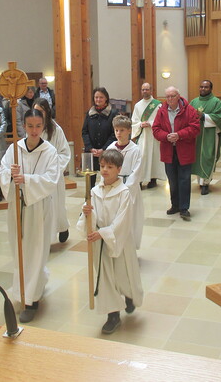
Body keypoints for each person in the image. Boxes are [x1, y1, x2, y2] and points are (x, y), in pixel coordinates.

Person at [0, 109, 59, 323]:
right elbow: (1, 172)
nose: (34, 131)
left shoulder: (49, 151)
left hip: (38, 207)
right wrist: (9, 175)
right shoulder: (15, 149)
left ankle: (31, 300)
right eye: (30, 126)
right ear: (23, 126)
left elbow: (51, 180)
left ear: (43, 127)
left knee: (35, 250)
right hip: (17, 206)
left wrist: (27, 180)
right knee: (19, 250)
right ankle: (23, 288)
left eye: (38, 126)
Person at [77, 149, 143, 334]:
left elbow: (123, 221)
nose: (105, 170)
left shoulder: (124, 193)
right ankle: (113, 315)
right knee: (105, 278)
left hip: (118, 241)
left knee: (122, 275)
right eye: (102, 166)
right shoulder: (94, 191)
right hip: (100, 244)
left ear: (119, 169)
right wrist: (87, 213)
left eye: (110, 167)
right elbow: (91, 215)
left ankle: (128, 295)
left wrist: (104, 233)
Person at [152, 86, 200, 221]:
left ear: (178, 96)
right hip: (168, 150)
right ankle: (175, 205)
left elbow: (195, 128)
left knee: (184, 179)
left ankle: (184, 208)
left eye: (172, 96)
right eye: (167, 96)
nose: (170, 99)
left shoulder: (189, 110)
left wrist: (179, 135)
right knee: (172, 179)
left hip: (184, 150)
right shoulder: (161, 111)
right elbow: (155, 129)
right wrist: (166, 136)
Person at [33, 98, 71, 244]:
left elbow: (64, 153)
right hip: (38, 176)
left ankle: (62, 227)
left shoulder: (55, 129)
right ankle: (44, 238)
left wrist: (52, 168)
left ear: (47, 112)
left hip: (53, 174)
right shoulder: (33, 128)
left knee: (56, 205)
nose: (38, 114)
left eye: (41, 111)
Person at [108, 115, 143, 249]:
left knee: (131, 220)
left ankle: (130, 248)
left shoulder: (135, 150)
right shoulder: (111, 148)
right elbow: (106, 169)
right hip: (113, 188)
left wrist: (124, 189)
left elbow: (136, 173)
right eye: (116, 130)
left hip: (130, 190)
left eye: (122, 130)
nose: (119, 133)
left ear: (129, 131)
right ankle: (116, 246)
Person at [190, 80, 221, 195]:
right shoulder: (194, 101)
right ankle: (200, 182)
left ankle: (206, 183)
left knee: (207, 157)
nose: (203, 89)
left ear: (211, 89)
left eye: (206, 87)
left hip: (209, 134)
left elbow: (219, 117)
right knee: (196, 157)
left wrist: (204, 116)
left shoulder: (216, 102)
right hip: (196, 135)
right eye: (201, 87)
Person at [131, 82, 164, 189]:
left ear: (151, 90)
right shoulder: (137, 105)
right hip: (142, 135)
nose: (145, 91)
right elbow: (134, 121)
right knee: (141, 157)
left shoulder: (158, 104)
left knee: (153, 157)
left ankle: (153, 179)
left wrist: (151, 123)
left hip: (153, 136)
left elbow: (162, 121)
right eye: (143, 89)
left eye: (147, 89)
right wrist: (140, 124)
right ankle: (139, 180)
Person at [82, 87, 118, 181]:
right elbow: (84, 132)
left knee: (107, 179)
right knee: (90, 182)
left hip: (107, 152)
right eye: (96, 97)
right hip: (91, 153)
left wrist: (104, 149)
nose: (98, 99)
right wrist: (90, 148)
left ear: (106, 98)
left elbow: (114, 134)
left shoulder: (113, 113)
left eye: (101, 97)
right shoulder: (89, 113)